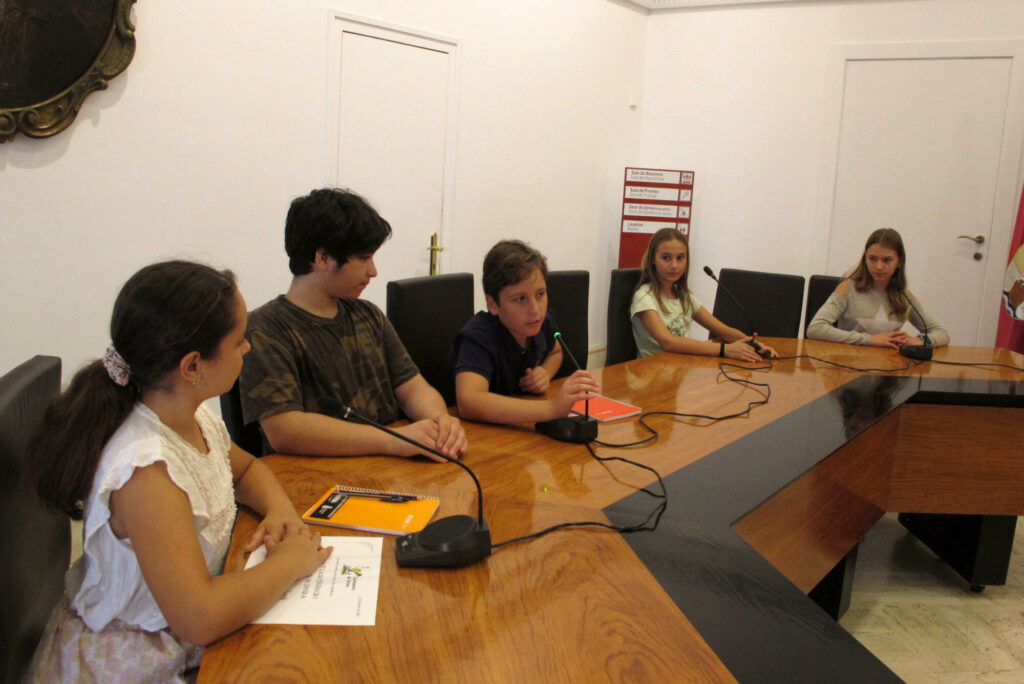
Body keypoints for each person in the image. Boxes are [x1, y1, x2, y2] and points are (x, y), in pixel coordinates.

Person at [27, 261, 331, 682]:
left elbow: (245, 470)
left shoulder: (190, 414)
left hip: (192, 616)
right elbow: (199, 617)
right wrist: (291, 563)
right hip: (140, 652)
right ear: (193, 367)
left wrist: (279, 509)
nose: (247, 348)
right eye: (239, 341)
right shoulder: (146, 472)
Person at [240, 188, 467, 461]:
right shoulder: (266, 328)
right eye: (363, 258)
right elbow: (284, 430)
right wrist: (394, 441)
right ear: (323, 258)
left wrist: (440, 422)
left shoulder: (368, 316)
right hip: (315, 476)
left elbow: (413, 389)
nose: (373, 271)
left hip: (387, 467)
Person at [449, 240, 600, 424]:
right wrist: (551, 409)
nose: (535, 310)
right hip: (475, 433)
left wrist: (545, 373)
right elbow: (469, 402)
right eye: (520, 299)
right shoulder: (477, 337)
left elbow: (556, 352)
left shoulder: (541, 322)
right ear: (493, 304)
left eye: (540, 294)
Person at [630, 227, 777, 362]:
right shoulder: (644, 297)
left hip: (678, 368)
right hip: (652, 372)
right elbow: (668, 342)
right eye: (666, 258)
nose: (674, 265)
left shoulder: (684, 296)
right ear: (652, 259)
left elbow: (723, 331)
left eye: (680, 258)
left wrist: (753, 344)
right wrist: (724, 350)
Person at [807, 227, 949, 348]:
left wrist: (920, 340)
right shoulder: (848, 288)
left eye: (887, 260)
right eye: (872, 259)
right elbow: (815, 328)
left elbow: (941, 333)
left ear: (899, 261)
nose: (879, 266)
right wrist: (870, 339)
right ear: (865, 258)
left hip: (889, 365)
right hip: (849, 361)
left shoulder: (904, 296)